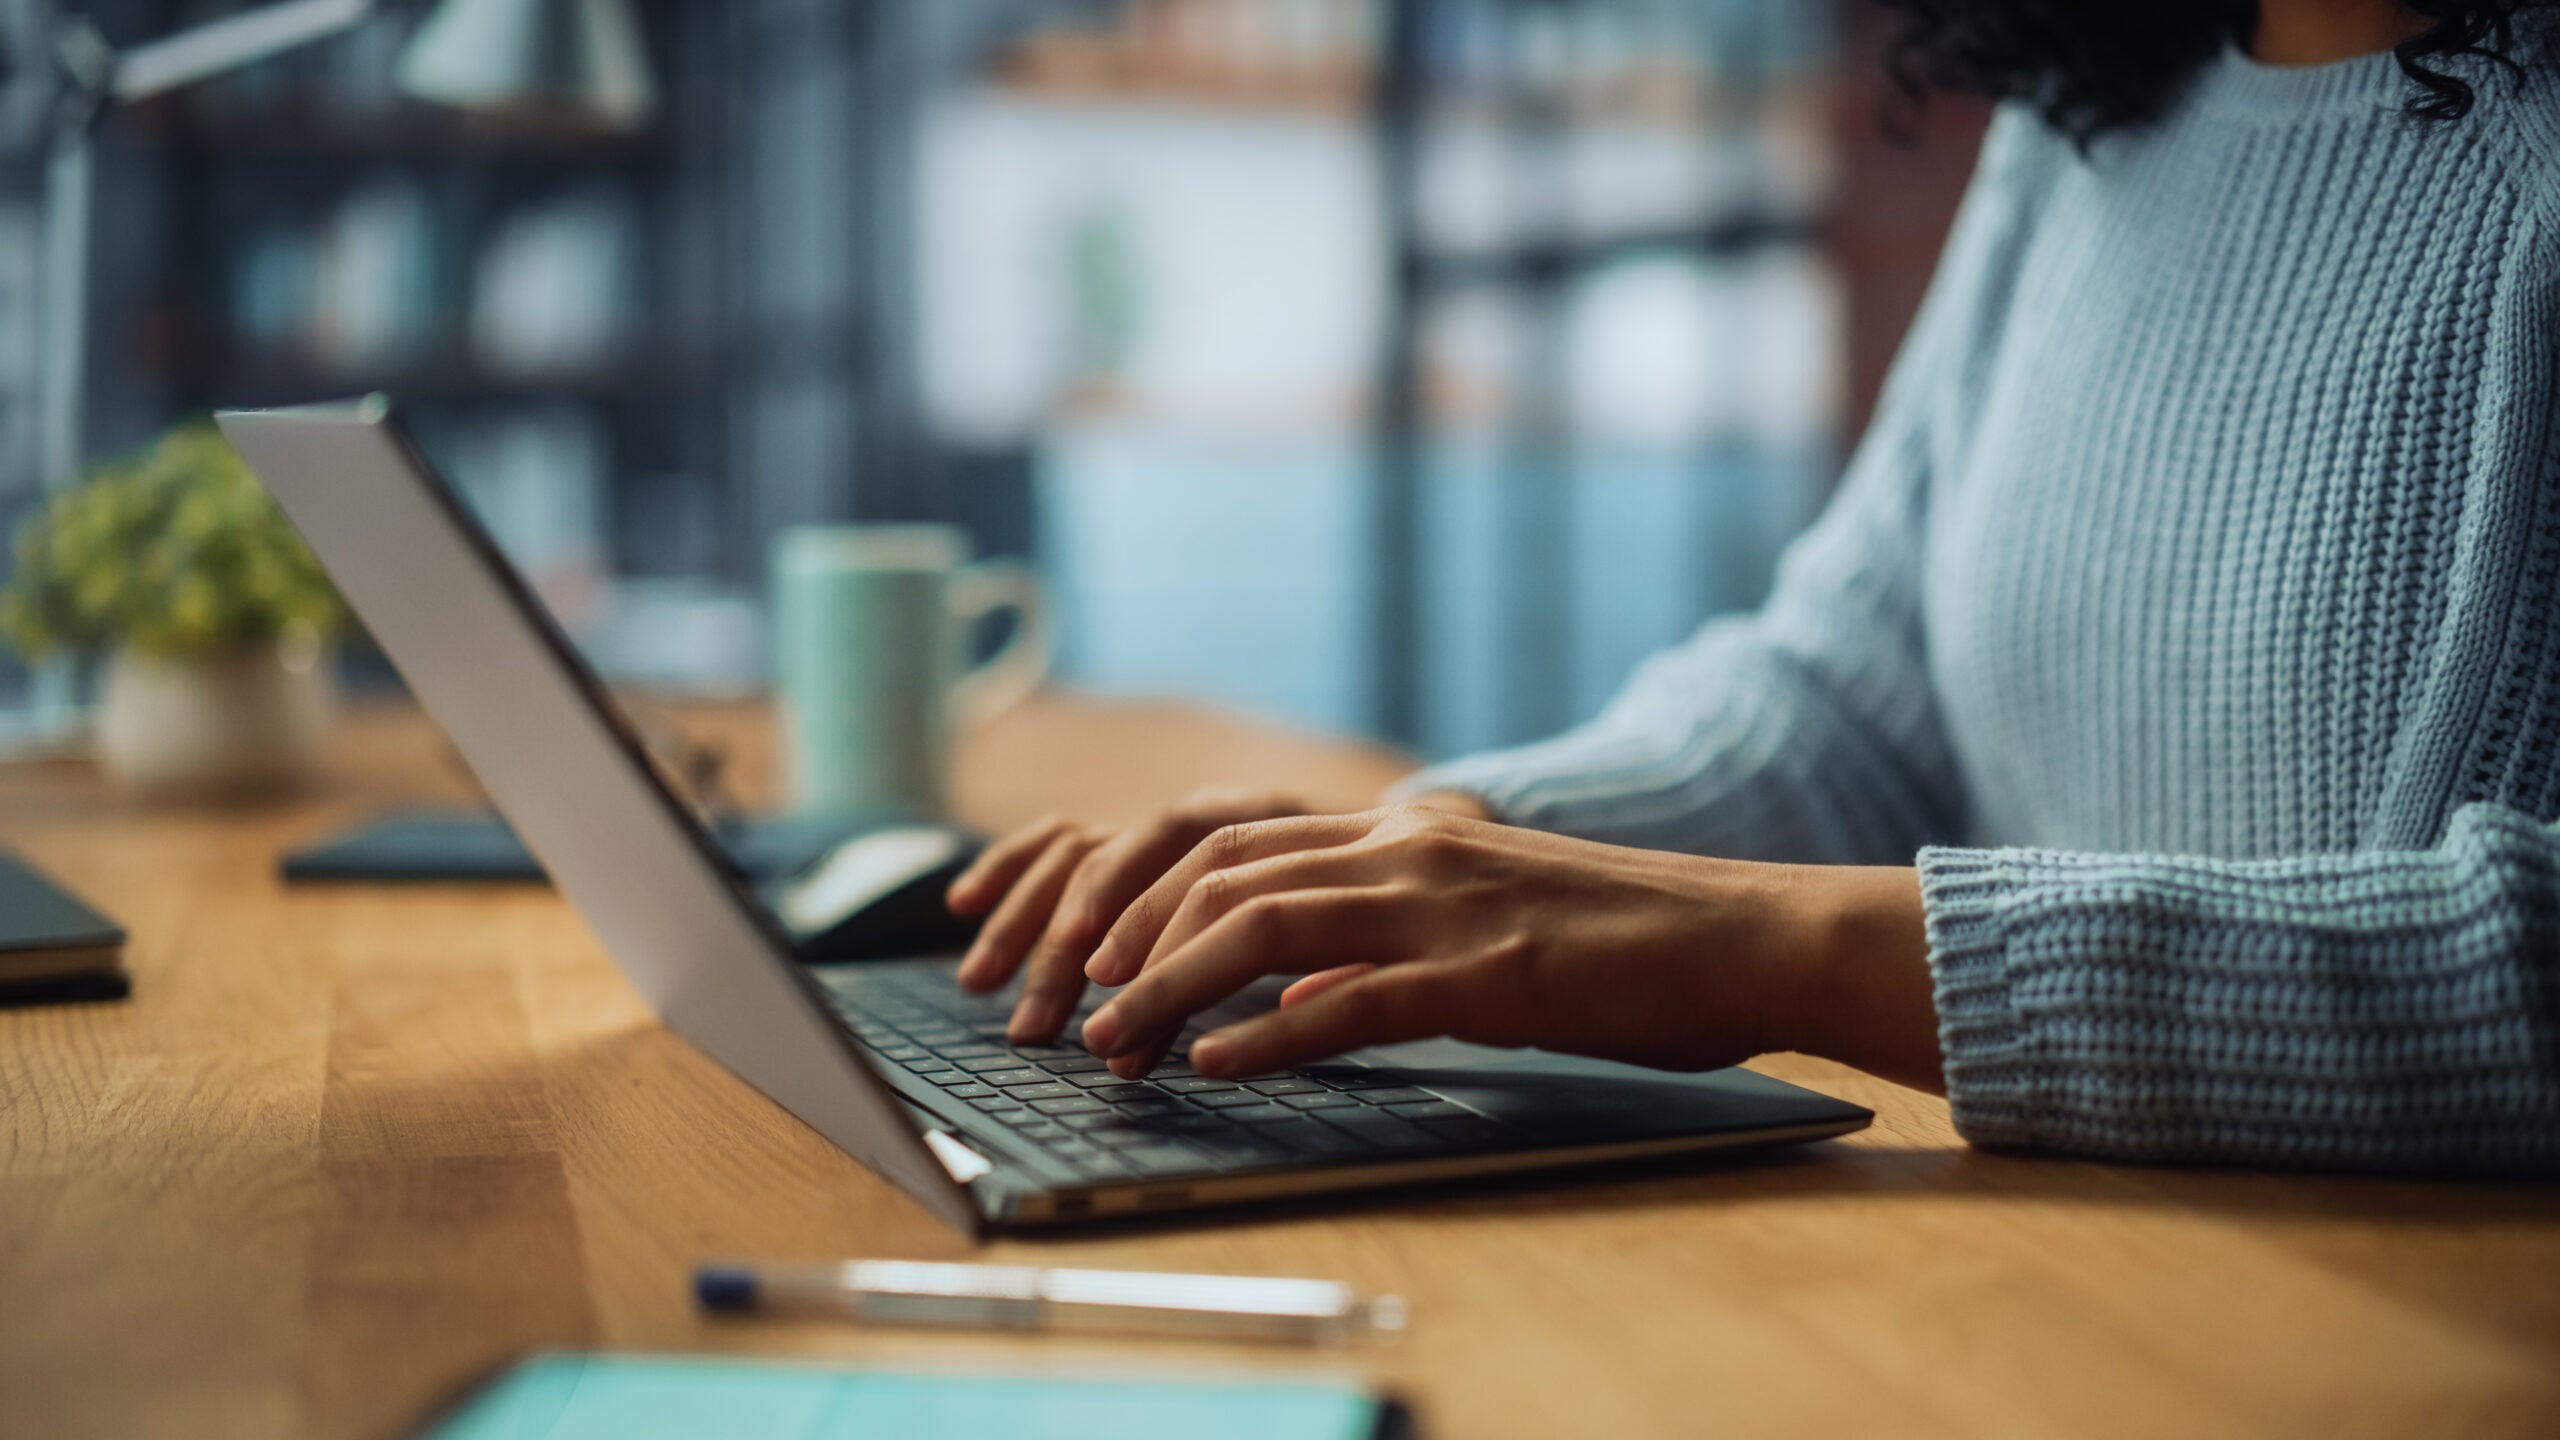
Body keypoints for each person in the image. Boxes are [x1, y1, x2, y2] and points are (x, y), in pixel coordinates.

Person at [945, 0, 2560, 1175]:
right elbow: (1855, 692)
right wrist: (1424, 859)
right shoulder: (2098, 107)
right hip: (2032, 1272)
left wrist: (1769, 954)